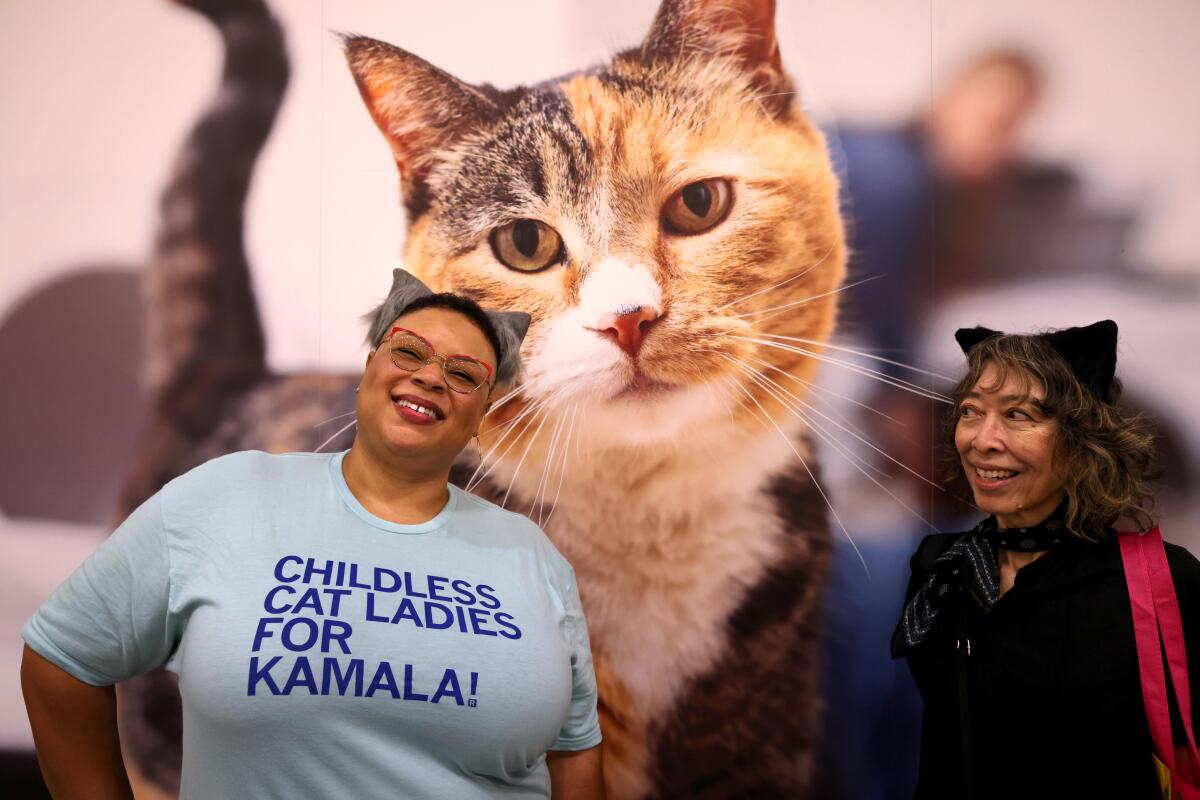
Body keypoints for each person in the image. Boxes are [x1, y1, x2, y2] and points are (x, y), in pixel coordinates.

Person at [21, 269, 605, 799]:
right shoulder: (227, 495)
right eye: (408, 352)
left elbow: (576, 752)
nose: (430, 377)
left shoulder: (535, 557)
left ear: (483, 415)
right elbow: (62, 658)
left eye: (463, 374)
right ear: (368, 370)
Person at [891, 319, 1200, 799]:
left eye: (1017, 416)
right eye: (970, 412)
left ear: (1081, 443)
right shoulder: (941, 570)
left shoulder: (1162, 580)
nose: (982, 439)